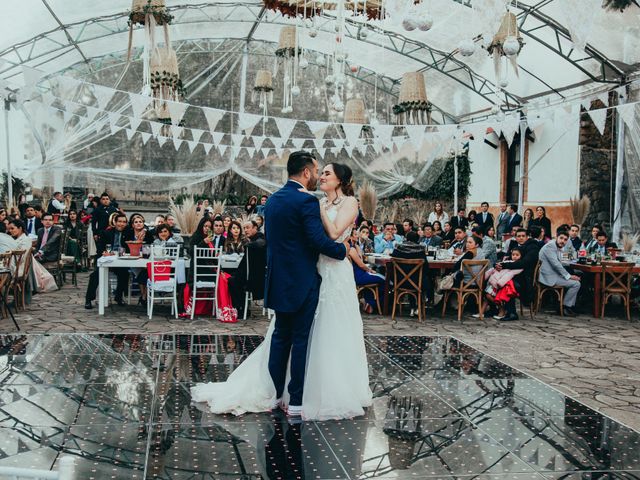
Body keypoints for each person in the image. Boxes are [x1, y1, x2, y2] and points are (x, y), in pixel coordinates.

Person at [191, 153, 371, 421]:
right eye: (319, 171)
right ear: (307, 173)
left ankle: (276, 394)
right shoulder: (309, 202)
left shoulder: (273, 201)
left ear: (340, 180)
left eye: (328, 173)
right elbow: (318, 240)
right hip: (309, 277)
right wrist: (343, 249)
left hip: (284, 279)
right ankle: (296, 400)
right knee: (300, 340)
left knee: (281, 338)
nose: (321, 175)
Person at [493, 227, 542, 321]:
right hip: (514, 275)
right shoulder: (514, 245)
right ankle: (495, 309)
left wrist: (504, 266)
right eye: (518, 236)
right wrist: (498, 264)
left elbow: (524, 263)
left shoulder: (533, 247)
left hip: (525, 279)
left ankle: (512, 313)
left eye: (523, 236)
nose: (521, 238)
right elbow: (506, 258)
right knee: (492, 280)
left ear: (527, 237)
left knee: (507, 283)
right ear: (515, 237)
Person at [84, 213, 130, 309]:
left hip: (121, 261)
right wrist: (104, 252)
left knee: (124, 273)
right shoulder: (107, 232)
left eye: (124, 222)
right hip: (107, 260)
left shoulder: (128, 233)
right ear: (115, 222)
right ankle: (89, 299)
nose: (121, 224)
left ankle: (118, 296)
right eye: (119, 221)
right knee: (95, 275)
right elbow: (100, 247)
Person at [228, 220, 267, 318]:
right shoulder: (251, 239)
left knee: (233, 280)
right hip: (249, 273)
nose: (245, 230)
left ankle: (241, 308)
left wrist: (248, 245)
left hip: (255, 276)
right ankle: (241, 307)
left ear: (255, 228)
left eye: (248, 228)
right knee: (232, 279)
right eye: (244, 228)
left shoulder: (260, 237)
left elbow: (261, 243)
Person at [538, 230, 581, 316]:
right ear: (556, 237)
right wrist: (569, 276)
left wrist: (573, 258)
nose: (563, 241)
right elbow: (556, 264)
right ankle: (565, 307)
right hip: (548, 277)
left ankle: (570, 307)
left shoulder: (556, 246)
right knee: (576, 284)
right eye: (561, 238)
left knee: (578, 278)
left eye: (565, 240)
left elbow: (565, 258)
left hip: (552, 274)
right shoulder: (550, 247)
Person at [391, 230, 431, 313]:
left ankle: (413, 307)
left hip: (399, 281)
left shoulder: (398, 248)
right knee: (425, 277)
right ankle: (419, 305)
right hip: (417, 282)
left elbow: (392, 266)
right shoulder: (420, 249)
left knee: (412, 277)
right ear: (417, 240)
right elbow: (426, 267)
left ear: (405, 238)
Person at [348, 228, 385, 314]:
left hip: (361, 273)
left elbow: (361, 259)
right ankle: (373, 304)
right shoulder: (351, 249)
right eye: (355, 234)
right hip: (359, 275)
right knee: (385, 281)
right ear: (350, 236)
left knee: (376, 281)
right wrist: (370, 270)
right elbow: (361, 264)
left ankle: (368, 302)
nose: (357, 236)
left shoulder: (355, 247)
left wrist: (358, 248)